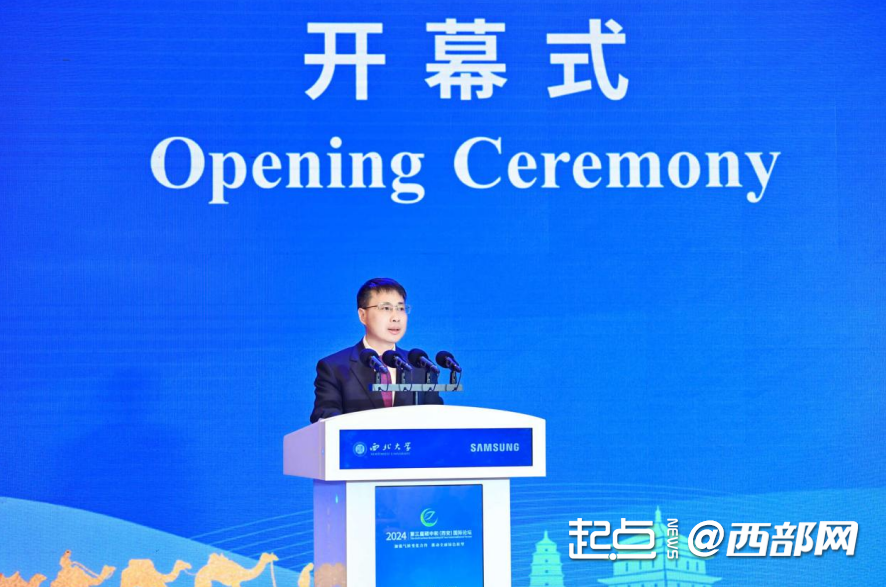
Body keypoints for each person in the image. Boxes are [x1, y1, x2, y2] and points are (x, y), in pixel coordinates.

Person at [310, 278, 443, 423]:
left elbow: (437, 421)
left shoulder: (420, 367)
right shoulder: (334, 367)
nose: (396, 317)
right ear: (363, 316)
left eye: (401, 308)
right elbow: (326, 420)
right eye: (386, 308)